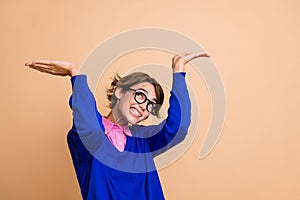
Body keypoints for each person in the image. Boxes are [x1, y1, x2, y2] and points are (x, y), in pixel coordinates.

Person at [25, 52, 210, 200]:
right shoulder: (88, 137)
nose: (144, 107)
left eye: (150, 105)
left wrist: (178, 70)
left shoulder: (143, 140)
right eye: (140, 95)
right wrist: (75, 74)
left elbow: (179, 128)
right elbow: (88, 124)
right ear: (120, 91)